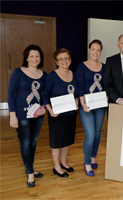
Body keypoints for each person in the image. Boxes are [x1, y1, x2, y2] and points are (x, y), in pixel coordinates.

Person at [7, 44, 47, 188]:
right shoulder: (18, 72)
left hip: (37, 115)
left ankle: (30, 167)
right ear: (26, 58)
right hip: (21, 114)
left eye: (37, 56)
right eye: (32, 56)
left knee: (33, 142)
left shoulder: (44, 75)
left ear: (40, 58)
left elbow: (44, 96)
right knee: (25, 143)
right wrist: (12, 116)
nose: (35, 59)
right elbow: (11, 95)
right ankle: (30, 173)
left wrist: (44, 108)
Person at [43, 48, 79, 178]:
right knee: (57, 142)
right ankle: (56, 166)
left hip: (70, 114)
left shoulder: (74, 75)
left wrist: (76, 101)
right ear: (56, 61)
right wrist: (50, 110)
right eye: (61, 59)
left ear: (70, 60)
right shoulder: (52, 76)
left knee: (67, 140)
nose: (64, 61)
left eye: (66, 58)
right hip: (56, 115)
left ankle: (64, 162)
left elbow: (77, 94)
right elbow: (45, 96)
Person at [76, 39, 106, 176]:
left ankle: (93, 157)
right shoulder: (81, 67)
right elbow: (80, 86)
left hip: (100, 105)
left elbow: (106, 85)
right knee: (90, 135)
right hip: (86, 105)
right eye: (93, 49)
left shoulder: (104, 67)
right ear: (89, 50)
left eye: (98, 50)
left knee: (98, 133)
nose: (95, 52)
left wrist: (107, 97)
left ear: (101, 52)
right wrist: (82, 103)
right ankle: (87, 162)